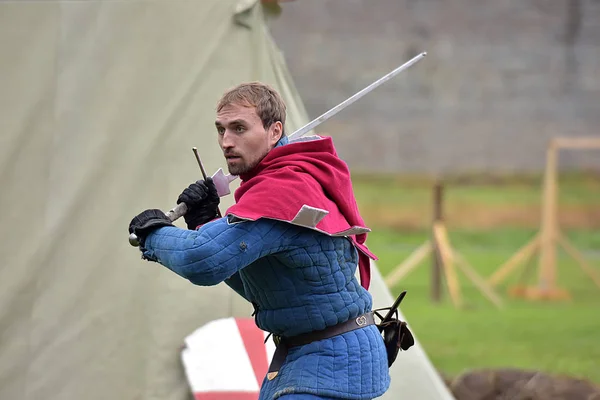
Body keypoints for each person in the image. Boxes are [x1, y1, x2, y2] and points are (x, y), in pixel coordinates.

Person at [128, 82, 413, 400]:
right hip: (317, 356)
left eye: (239, 128)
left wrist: (153, 234)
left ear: (274, 131)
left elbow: (203, 262)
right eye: (221, 130)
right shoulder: (292, 179)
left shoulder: (283, 191)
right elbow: (257, 285)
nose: (227, 141)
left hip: (328, 363)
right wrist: (203, 221)